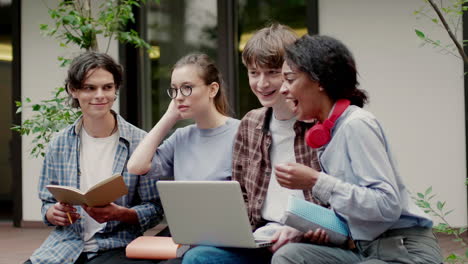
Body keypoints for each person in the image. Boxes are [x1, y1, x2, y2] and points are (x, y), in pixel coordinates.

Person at [272, 34, 443, 264]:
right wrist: (306, 227)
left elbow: (386, 204)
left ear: (319, 80)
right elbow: (357, 209)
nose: (282, 89)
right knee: (289, 256)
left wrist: (316, 181)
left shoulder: (357, 124)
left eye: (290, 79)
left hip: (405, 251)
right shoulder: (329, 132)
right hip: (367, 250)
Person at [182, 23, 325, 264]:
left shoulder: (319, 124)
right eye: (253, 73)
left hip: (303, 238)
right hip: (261, 237)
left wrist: (310, 225)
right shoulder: (251, 123)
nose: (262, 83)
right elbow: (241, 195)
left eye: (272, 72)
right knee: (198, 257)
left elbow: (339, 195)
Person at [26, 52, 164, 264]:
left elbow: (155, 208)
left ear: (116, 89)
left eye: (107, 87)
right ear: (74, 90)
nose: (99, 95)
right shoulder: (59, 144)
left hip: (118, 245)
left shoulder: (141, 143)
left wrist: (122, 214)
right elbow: (47, 202)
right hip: (64, 246)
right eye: (90, 88)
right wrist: (53, 213)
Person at [127, 53, 240, 182]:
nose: (178, 97)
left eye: (187, 87)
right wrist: (169, 116)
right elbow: (135, 166)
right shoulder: (180, 137)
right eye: (174, 89)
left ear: (213, 89)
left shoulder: (241, 133)